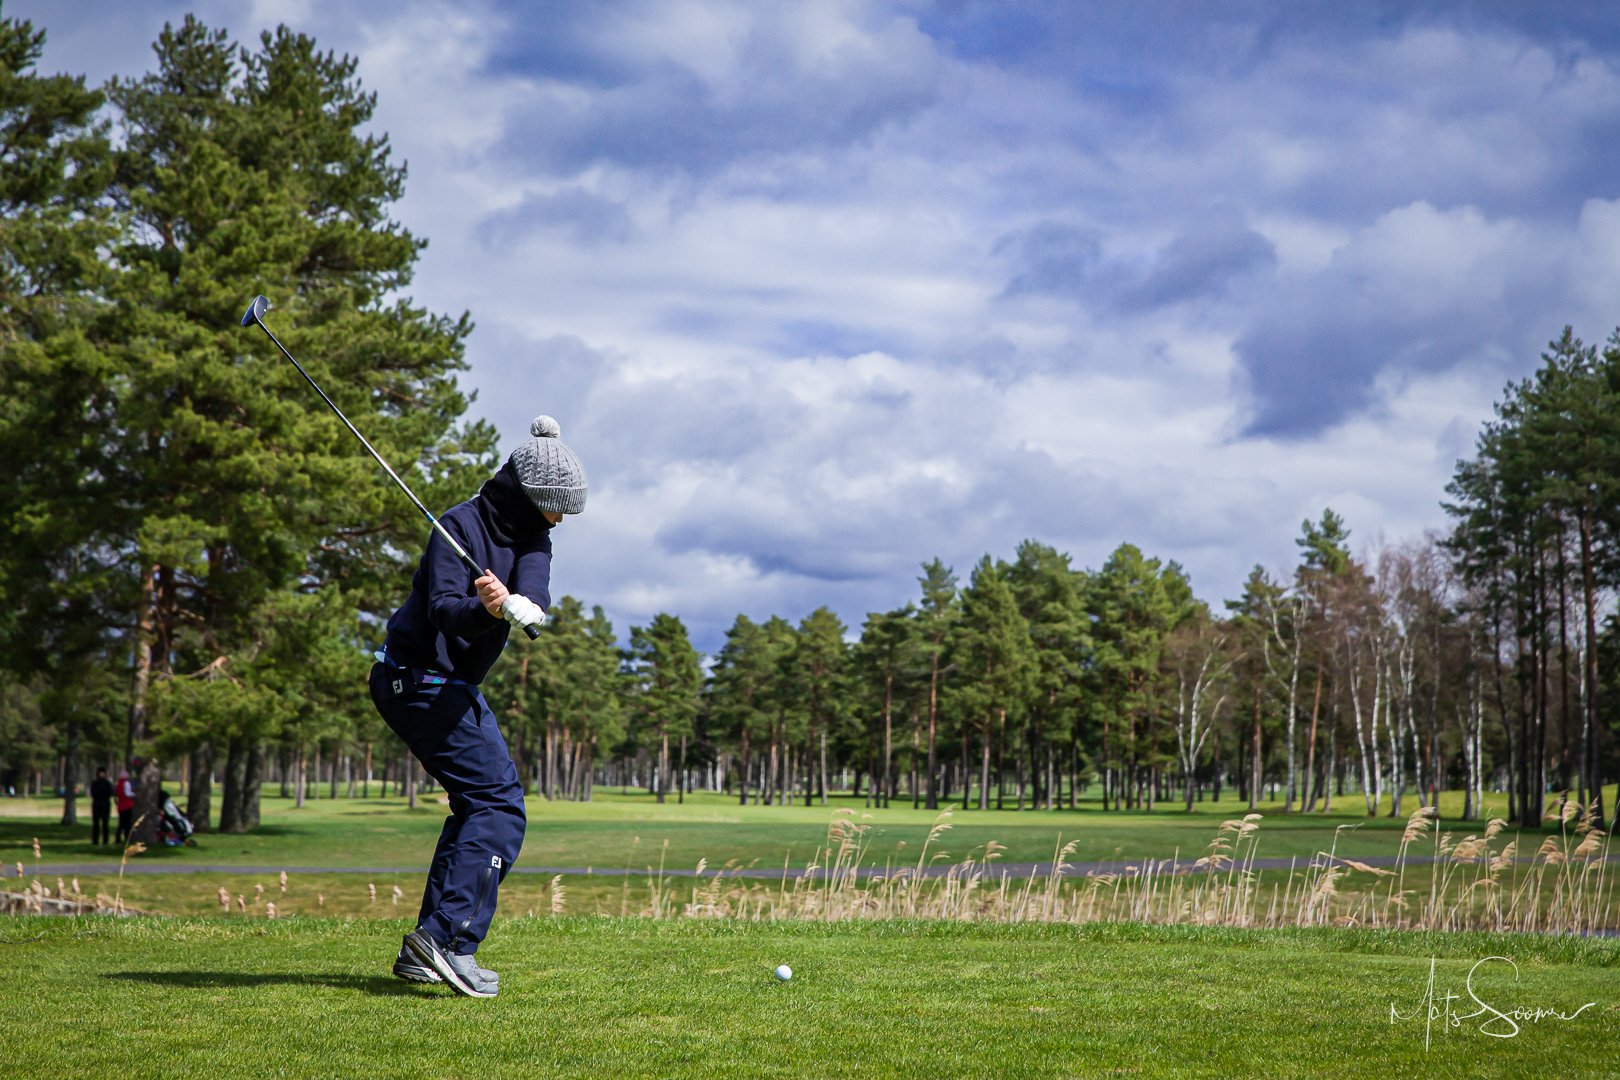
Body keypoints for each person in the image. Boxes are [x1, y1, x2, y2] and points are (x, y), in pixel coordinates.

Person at [371, 415, 586, 998]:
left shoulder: (533, 535)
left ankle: (425, 948)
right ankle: (450, 941)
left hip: (448, 684)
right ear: (529, 496)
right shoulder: (455, 529)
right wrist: (486, 611)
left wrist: (526, 608)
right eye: (556, 508)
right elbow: (444, 609)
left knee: (475, 805)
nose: (561, 519)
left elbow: (536, 587)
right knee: (497, 803)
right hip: (414, 679)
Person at [113, 766, 137, 845]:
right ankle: (127, 838)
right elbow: (127, 793)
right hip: (127, 805)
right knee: (127, 823)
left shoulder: (118, 784)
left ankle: (118, 838)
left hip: (121, 806)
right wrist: (135, 794)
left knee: (121, 823)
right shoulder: (126, 783)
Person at [90, 767, 113, 846]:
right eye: (100, 772)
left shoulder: (107, 783)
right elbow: (93, 793)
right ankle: (95, 841)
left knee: (105, 824)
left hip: (105, 805)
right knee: (96, 824)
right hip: (96, 805)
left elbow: (110, 793)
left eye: (103, 772)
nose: (101, 774)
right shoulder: (95, 783)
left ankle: (105, 841)